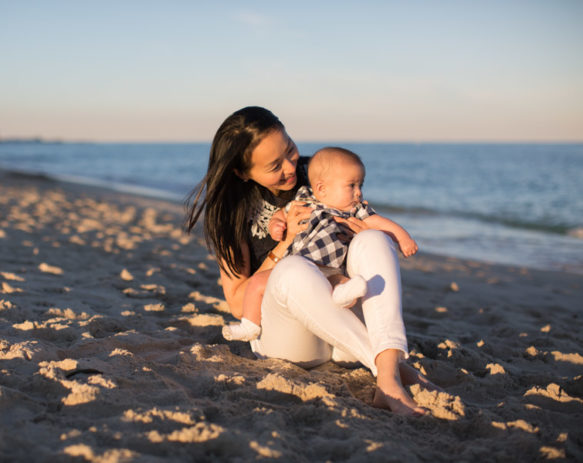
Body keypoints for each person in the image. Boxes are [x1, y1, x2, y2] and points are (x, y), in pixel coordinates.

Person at [185, 106, 435, 416]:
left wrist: (360, 232)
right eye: (275, 166)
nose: (291, 167)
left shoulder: (319, 172)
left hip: (345, 331)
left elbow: (360, 216)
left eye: (290, 150)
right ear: (242, 172)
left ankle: (386, 374)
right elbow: (238, 304)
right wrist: (285, 244)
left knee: (374, 238)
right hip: (292, 343)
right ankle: (391, 366)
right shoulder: (230, 213)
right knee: (293, 269)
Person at [222, 147, 418, 342]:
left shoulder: (355, 210)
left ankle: (345, 293)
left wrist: (402, 238)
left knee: (339, 281)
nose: (358, 193)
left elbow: (380, 222)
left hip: (330, 267)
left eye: (360, 185)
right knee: (257, 283)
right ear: (322, 188)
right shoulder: (305, 199)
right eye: (351, 186)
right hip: (296, 268)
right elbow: (281, 213)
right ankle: (249, 326)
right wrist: (277, 226)